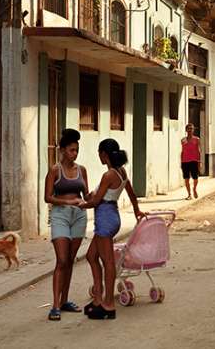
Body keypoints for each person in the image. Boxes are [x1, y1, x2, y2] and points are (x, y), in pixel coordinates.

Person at [80, 138, 143, 320]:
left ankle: (108, 304)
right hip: (111, 216)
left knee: (108, 262)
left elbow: (95, 201)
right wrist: (136, 210)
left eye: (99, 154)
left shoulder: (108, 175)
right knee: (91, 256)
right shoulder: (121, 172)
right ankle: (98, 298)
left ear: (104, 154)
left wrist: (80, 204)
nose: (99, 157)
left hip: (105, 219)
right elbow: (131, 193)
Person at [44, 128, 89, 321]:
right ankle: (55, 305)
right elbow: (48, 197)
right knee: (61, 260)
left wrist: (100, 195)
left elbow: (86, 195)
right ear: (62, 150)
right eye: (71, 150)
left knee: (70, 259)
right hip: (60, 215)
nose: (75, 154)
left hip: (79, 216)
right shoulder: (55, 170)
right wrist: (67, 201)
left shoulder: (82, 170)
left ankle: (64, 300)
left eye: (77, 150)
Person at [180, 124, 202, 199]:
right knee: (186, 178)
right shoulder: (183, 140)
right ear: (186, 130)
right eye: (188, 128)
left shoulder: (197, 139)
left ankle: (194, 189)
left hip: (194, 161)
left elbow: (199, 151)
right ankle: (189, 194)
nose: (190, 130)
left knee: (195, 178)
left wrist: (199, 162)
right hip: (185, 161)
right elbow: (182, 151)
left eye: (191, 128)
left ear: (193, 130)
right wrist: (181, 162)